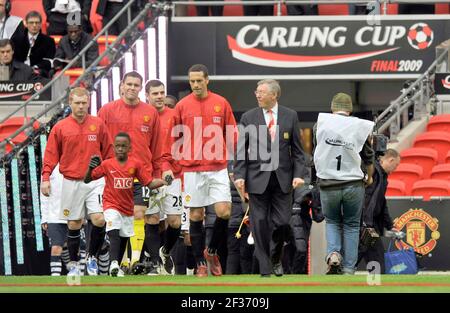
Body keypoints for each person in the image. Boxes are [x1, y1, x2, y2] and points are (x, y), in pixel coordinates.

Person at [169, 64, 237, 277]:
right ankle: (199, 263)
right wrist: (177, 168)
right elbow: (173, 139)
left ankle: (212, 252)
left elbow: (232, 134)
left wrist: (233, 162)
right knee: (196, 216)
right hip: (191, 169)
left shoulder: (221, 103)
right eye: (192, 81)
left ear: (207, 80)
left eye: (199, 80)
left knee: (224, 211)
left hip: (217, 167)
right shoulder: (181, 106)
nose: (196, 84)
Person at [234, 79, 306, 277]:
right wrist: (239, 175)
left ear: (274, 95)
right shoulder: (248, 117)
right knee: (259, 223)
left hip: (283, 179)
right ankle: (265, 268)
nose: (257, 95)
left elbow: (299, 151)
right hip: (256, 178)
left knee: (282, 222)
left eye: (262, 92)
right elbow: (241, 150)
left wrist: (299, 174)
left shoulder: (290, 116)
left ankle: (275, 257)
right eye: (256, 92)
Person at [41, 87, 114, 276]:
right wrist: (46, 178)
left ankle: (91, 257)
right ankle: (73, 266)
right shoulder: (60, 127)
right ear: (70, 103)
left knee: (99, 219)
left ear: (88, 102)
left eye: (84, 103)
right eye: (77, 103)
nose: (81, 106)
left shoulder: (98, 124)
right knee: (74, 223)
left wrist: (112, 174)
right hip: (70, 180)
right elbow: (50, 155)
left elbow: (109, 152)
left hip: (94, 180)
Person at [98, 71, 164, 270]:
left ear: (140, 88)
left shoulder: (150, 113)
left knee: (138, 214)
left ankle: (134, 259)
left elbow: (157, 146)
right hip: (114, 176)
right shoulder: (107, 110)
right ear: (122, 85)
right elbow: (99, 143)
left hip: (141, 175)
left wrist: (157, 174)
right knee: (116, 220)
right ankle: (118, 262)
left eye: (136, 85)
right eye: (130, 84)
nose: (132, 88)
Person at [84, 132, 165, 277]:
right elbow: (87, 180)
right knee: (113, 230)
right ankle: (114, 263)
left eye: (123, 146)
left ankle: (115, 268)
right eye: (117, 146)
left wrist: (165, 181)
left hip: (127, 208)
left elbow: (150, 183)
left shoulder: (135, 164)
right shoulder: (107, 164)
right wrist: (90, 168)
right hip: (110, 204)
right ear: (113, 148)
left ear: (129, 148)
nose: (120, 149)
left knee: (123, 237)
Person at [313, 92, 375, 275]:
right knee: (351, 225)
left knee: (332, 221)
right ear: (350, 109)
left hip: (328, 182)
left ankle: (333, 254)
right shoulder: (359, 126)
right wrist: (369, 177)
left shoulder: (320, 124)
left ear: (332, 108)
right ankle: (348, 268)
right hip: (353, 183)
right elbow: (368, 156)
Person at [144, 79, 183, 275]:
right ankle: (156, 264)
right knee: (151, 218)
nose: (159, 96)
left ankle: (165, 252)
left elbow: (183, 144)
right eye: (155, 93)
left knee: (175, 222)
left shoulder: (175, 116)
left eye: (162, 93)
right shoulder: (142, 115)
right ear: (147, 96)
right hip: (150, 175)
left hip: (173, 176)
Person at [357, 148, 401, 274]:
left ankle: (372, 282)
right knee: (375, 256)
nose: (396, 168)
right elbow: (368, 198)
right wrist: (365, 222)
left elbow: (381, 203)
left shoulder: (381, 176)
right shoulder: (376, 172)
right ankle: (373, 282)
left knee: (370, 255)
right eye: (396, 165)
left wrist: (390, 225)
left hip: (368, 224)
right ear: (391, 160)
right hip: (367, 225)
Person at [11, 11, 56, 78]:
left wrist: (35, 67)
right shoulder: (16, 40)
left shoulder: (49, 41)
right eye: (31, 22)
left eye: (37, 23)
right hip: (19, 71)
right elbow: (13, 59)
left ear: (41, 24)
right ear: (26, 24)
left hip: (38, 72)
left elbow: (50, 61)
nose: (34, 25)